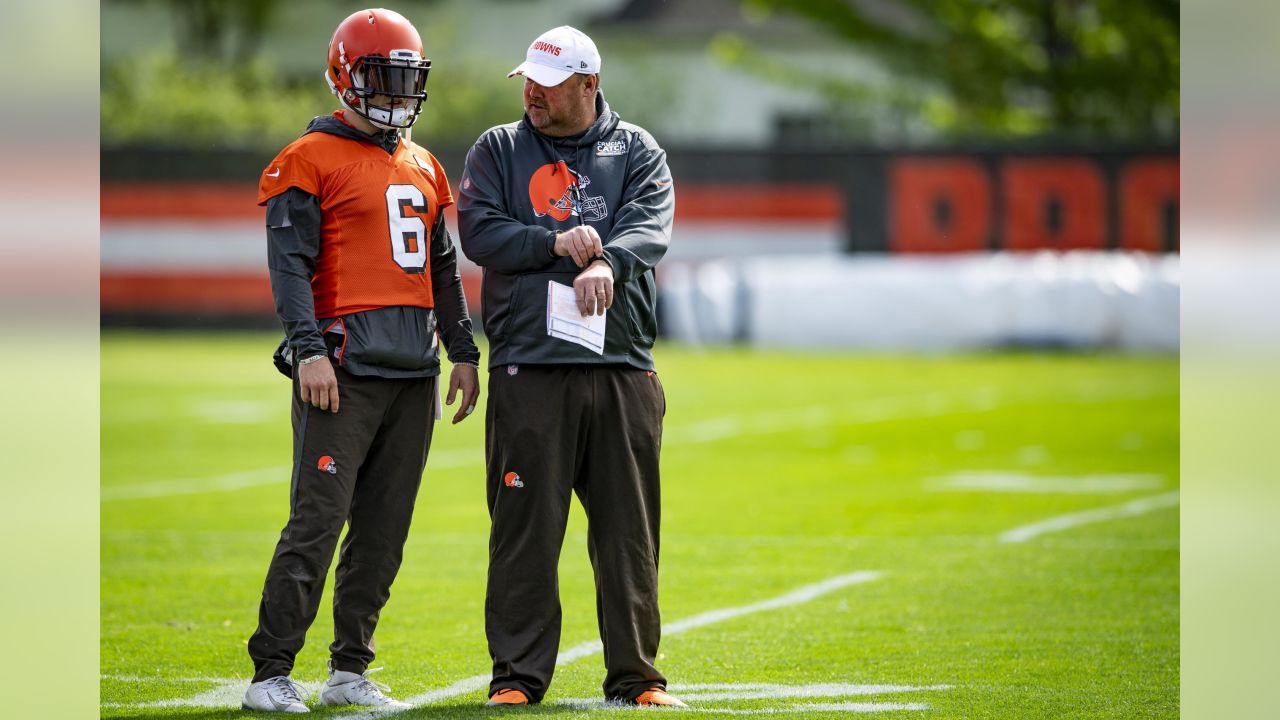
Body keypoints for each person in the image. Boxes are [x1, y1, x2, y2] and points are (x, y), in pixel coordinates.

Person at [242, 8, 480, 713]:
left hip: (415, 369)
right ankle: (271, 672)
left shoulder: (425, 164)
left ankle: (349, 668)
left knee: (384, 530)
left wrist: (464, 352)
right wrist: (308, 350)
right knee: (317, 522)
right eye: (384, 76)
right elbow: (289, 267)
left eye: (407, 78)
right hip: (343, 370)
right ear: (347, 76)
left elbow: (443, 270)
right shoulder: (307, 160)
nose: (398, 92)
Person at [457, 25, 683, 708]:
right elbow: (479, 232)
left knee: (629, 533)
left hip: (622, 368)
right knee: (523, 531)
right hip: (529, 369)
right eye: (527, 79)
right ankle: (517, 679)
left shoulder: (637, 149)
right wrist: (556, 243)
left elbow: (651, 227)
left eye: (548, 84)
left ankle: (638, 677)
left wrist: (607, 260)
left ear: (588, 84)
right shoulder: (499, 148)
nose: (531, 92)